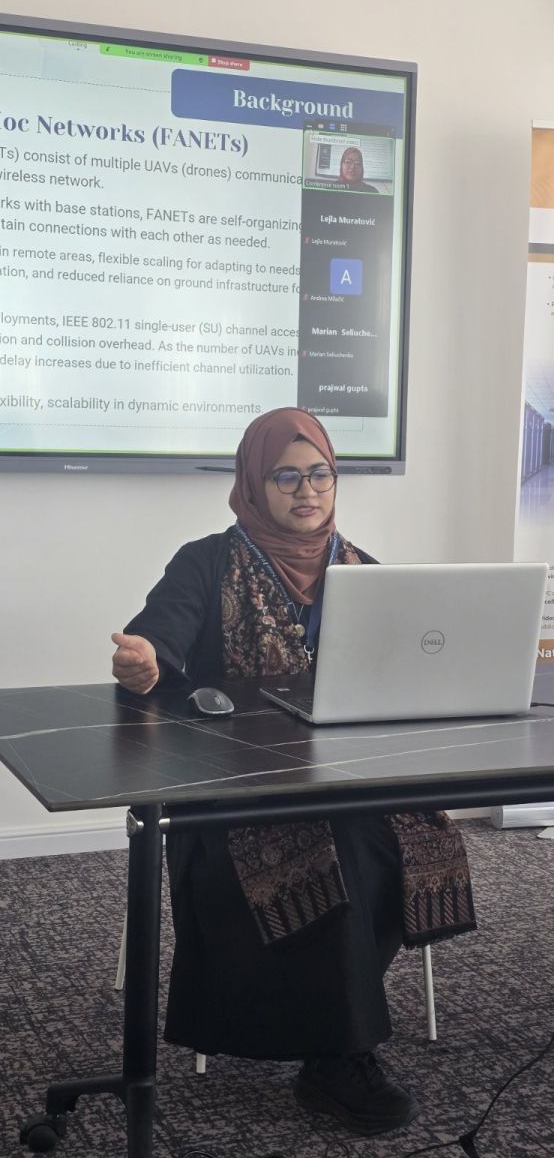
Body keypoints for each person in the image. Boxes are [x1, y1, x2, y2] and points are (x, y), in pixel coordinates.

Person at [112, 407, 476, 1139]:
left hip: (346, 780)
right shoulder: (205, 562)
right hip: (234, 794)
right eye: (287, 476)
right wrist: (144, 661)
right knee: (335, 852)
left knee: (402, 838)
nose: (307, 491)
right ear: (255, 481)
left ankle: (331, 1038)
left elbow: (403, 676)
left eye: (320, 475)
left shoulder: (365, 573)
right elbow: (157, 638)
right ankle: (340, 1055)